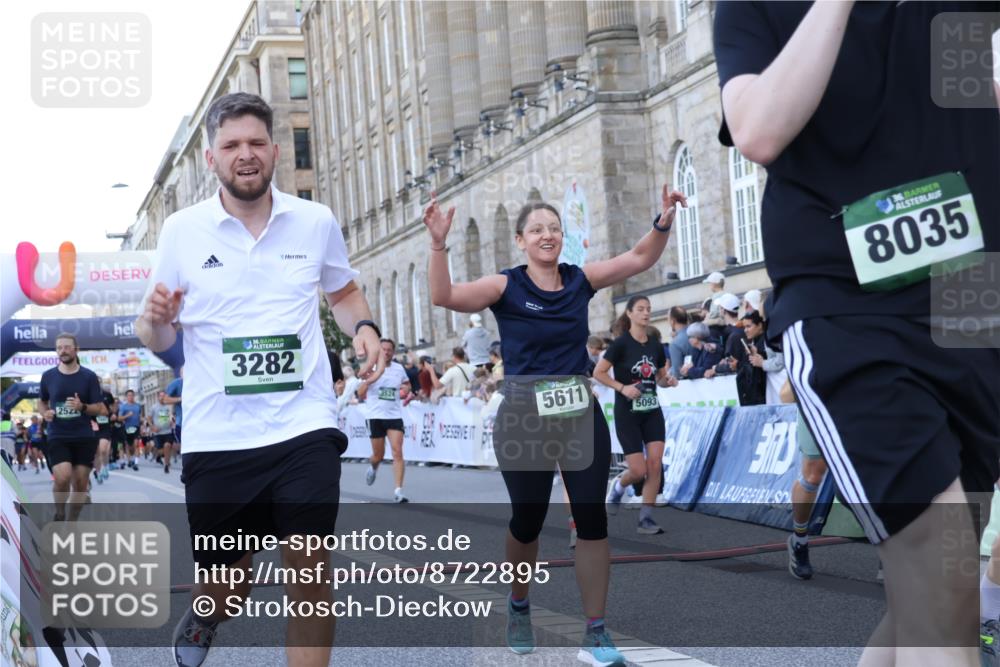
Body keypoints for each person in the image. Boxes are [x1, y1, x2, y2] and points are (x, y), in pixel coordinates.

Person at [715, 3, 999, 663]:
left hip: (968, 301)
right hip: (847, 304)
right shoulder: (755, 8)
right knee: (941, 570)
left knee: (929, 596)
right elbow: (757, 128)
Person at [135, 92, 380, 667]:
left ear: (273, 150)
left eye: (255, 143)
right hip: (219, 434)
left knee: (311, 569)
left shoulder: (314, 221)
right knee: (229, 586)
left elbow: (342, 290)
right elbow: (163, 342)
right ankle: (205, 614)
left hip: (304, 423)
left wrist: (363, 326)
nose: (245, 155)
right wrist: (154, 324)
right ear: (211, 157)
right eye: (231, 145)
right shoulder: (181, 231)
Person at [424, 183, 686, 665]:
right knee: (528, 521)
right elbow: (444, 294)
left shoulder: (579, 279)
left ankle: (596, 631)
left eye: (554, 228)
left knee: (591, 520)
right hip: (524, 415)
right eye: (537, 229)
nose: (547, 235)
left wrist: (663, 219)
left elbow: (638, 258)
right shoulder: (505, 286)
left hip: (576, 411)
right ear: (521, 241)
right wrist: (438, 244)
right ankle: (519, 603)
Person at [593, 295, 675, 535]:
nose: (646, 313)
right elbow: (599, 372)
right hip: (627, 412)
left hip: (651, 410)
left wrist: (668, 381)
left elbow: (659, 377)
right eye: (640, 309)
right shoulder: (620, 344)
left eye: (648, 309)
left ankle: (646, 518)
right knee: (638, 470)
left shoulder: (655, 344)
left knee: (655, 463)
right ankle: (618, 486)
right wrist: (622, 388)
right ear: (629, 313)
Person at [37, 333, 107, 521]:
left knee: (81, 484)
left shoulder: (88, 376)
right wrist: (45, 413)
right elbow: (42, 402)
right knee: (63, 476)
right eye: (59, 347)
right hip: (58, 435)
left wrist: (82, 406)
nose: (63, 351)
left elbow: (99, 408)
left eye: (67, 347)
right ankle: (60, 513)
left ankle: (71, 523)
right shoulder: (48, 376)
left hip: (83, 435)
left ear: (76, 350)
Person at [358, 338, 412, 502]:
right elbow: (360, 394)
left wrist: (405, 390)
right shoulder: (370, 367)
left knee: (397, 451)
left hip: (394, 415)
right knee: (378, 455)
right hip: (375, 416)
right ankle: (373, 467)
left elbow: (407, 384)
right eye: (383, 349)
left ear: (393, 352)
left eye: (389, 349)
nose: (386, 352)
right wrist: (369, 380)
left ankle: (398, 491)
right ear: (378, 351)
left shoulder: (398, 369)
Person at [92, 387, 117, 484]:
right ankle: (98, 473)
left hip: (105, 426)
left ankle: (105, 466)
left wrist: (113, 413)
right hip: (94, 425)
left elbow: (113, 405)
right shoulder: (88, 394)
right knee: (96, 453)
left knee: (103, 449)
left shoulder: (106, 394)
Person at [149, 391, 175, 474]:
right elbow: (149, 418)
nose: (162, 397)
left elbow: (170, 417)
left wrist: (172, 421)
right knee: (161, 450)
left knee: (167, 446)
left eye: (164, 396)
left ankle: (166, 465)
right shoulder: (154, 407)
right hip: (158, 433)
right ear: (158, 397)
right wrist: (152, 427)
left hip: (167, 431)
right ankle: (158, 455)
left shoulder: (168, 406)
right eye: (161, 396)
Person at [665, 306, 692, 380]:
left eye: (668, 319)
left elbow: (677, 373)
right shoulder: (698, 332)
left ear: (672, 321)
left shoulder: (675, 343)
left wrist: (669, 373)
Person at [118, 390, 142, 471]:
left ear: (134, 396)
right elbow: (119, 418)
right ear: (126, 397)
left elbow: (140, 416)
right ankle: (129, 460)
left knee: (136, 444)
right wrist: (127, 415)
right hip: (127, 427)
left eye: (132, 395)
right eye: (128, 395)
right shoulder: (123, 407)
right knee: (128, 446)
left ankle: (136, 463)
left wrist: (142, 424)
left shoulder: (138, 406)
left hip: (136, 427)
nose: (130, 397)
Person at [163, 368, 184, 461]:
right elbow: (166, 401)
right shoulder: (155, 408)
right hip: (177, 424)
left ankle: (169, 462)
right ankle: (165, 460)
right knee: (168, 445)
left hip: (196, 422)